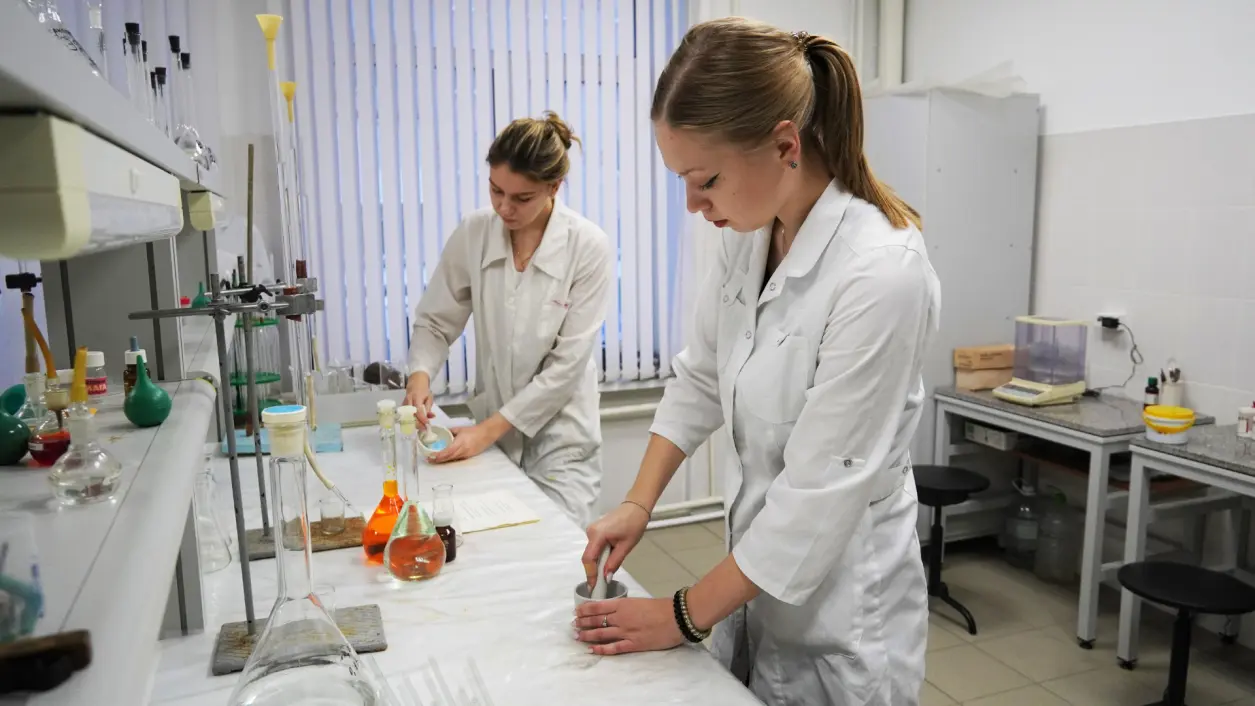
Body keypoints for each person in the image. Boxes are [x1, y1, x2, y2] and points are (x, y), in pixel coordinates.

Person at [575, 18, 938, 706]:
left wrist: (679, 615)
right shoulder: (749, 234)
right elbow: (701, 375)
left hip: (843, 615)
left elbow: (815, 497)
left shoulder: (881, 271)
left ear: (784, 144)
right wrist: (636, 504)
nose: (693, 204)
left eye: (705, 179)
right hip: (751, 584)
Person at [403, 112, 613, 528]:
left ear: (554, 187)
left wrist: (486, 432)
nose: (504, 207)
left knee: (557, 546)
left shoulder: (587, 246)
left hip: (560, 441)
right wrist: (420, 377)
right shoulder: (475, 232)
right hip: (493, 434)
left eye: (522, 197)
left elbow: (566, 368)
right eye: (496, 190)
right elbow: (436, 321)